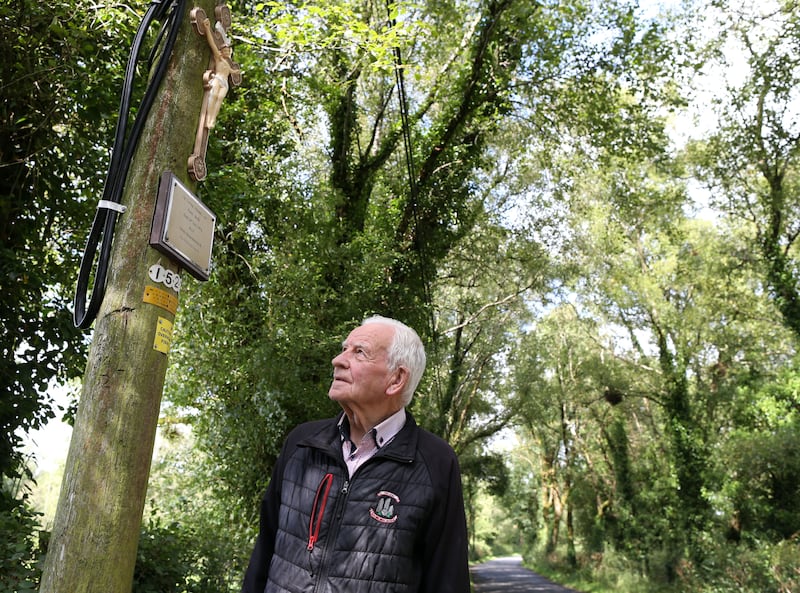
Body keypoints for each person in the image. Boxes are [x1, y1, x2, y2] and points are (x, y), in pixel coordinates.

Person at [241, 315, 471, 593]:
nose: (338, 360)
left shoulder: (436, 462)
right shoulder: (302, 443)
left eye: (359, 352)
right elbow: (264, 550)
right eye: (344, 349)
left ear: (396, 379)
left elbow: (447, 578)